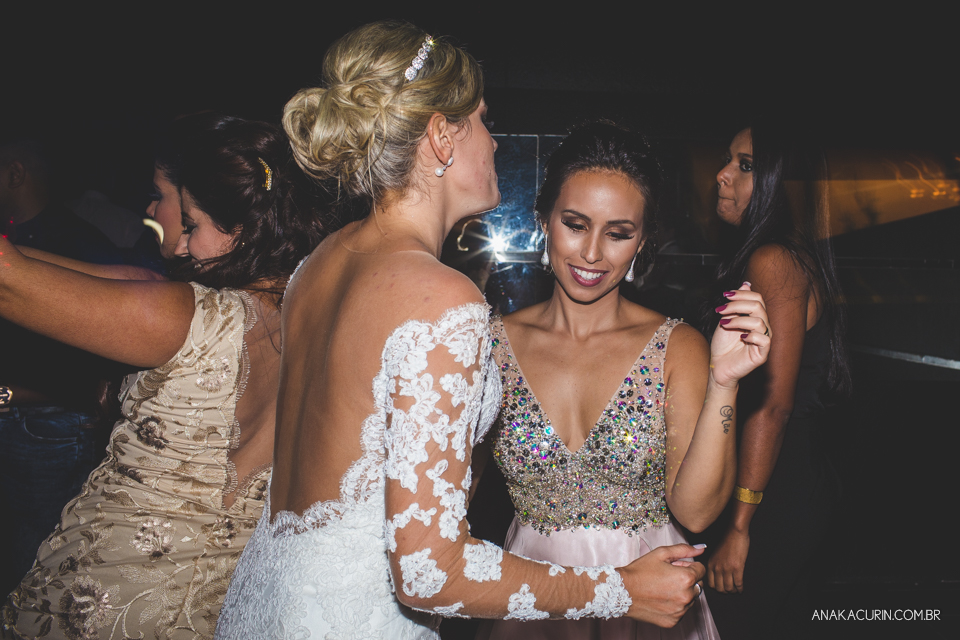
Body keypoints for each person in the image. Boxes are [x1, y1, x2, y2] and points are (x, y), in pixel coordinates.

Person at [216, 22, 715, 639]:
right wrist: (618, 589)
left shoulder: (316, 266)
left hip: (264, 601)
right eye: (483, 120)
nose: (496, 142)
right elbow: (428, 573)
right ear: (442, 136)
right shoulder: (441, 296)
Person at [1, 113, 327, 640]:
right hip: (216, 604)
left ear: (236, 227)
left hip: (114, 597)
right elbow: (121, 280)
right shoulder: (313, 316)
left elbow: (9, 283)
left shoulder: (189, 317)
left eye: (188, 221)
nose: (163, 224)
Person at [479, 122, 772, 639]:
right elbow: (452, 499)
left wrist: (725, 382)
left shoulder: (675, 346)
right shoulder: (490, 343)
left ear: (641, 242)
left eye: (618, 233)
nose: (592, 253)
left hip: (649, 602)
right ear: (542, 219)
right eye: (575, 224)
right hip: (531, 597)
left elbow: (697, 513)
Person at [704, 123, 850, 639]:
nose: (722, 175)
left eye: (745, 166)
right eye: (729, 159)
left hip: (773, 490)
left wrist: (740, 528)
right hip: (788, 478)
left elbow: (773, 405)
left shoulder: (775, 260)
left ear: (777, 182)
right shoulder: (787, 255)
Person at [0, 136, 137, 595]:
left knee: (34, 561)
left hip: (47, 428)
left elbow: (98, 372)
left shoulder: (77, 243)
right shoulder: (18, 237)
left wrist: (10, 394)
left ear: (15, 174)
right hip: (22, 420)